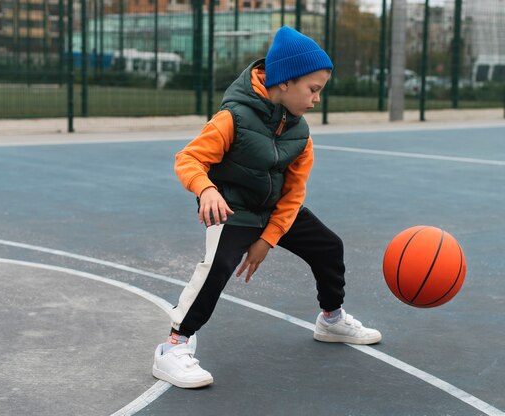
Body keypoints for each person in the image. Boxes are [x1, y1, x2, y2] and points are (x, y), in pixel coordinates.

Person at [152, 26, 382, 389]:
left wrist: (268, 239)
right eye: (313, 89)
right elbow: (189, 159)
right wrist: (207, 190)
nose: (316, 100)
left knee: (328, 246)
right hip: (233, 208)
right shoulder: (233, 118)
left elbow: (293, 194)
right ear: (286, 82)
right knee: (218, 266)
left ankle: (331, 318)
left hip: (273, 210)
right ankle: (173, 346)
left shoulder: (300, 134)